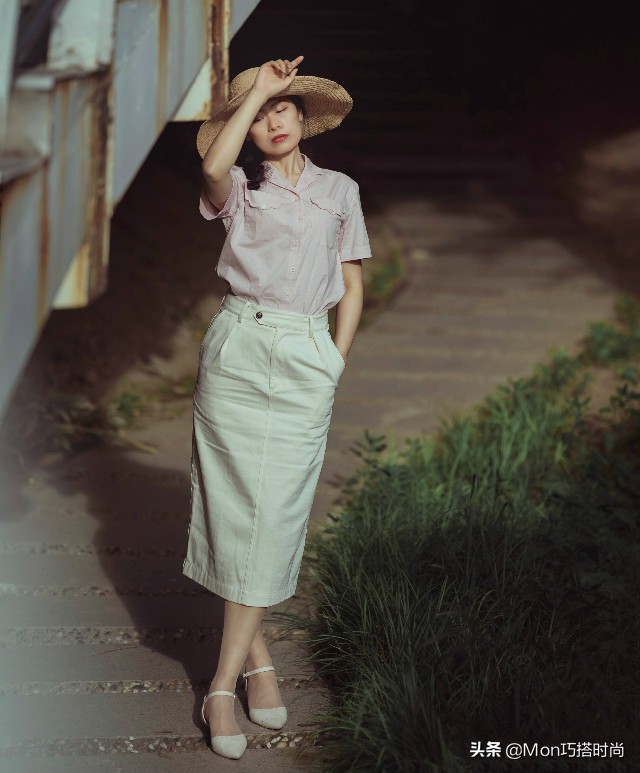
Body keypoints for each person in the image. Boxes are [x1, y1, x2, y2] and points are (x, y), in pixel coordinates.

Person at [182, 56, 372, 760]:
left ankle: (222, 679)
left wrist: (332, 364)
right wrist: (252, 91)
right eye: (261, 113)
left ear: (304, 115)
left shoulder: (341, 191)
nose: (273, 121)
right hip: (237, 348)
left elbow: (351, 285)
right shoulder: (238, 188)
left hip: (304, 356)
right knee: (236, 510)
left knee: (277, 512)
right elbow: (210, 171)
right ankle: (248, 668)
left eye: (282, 107)